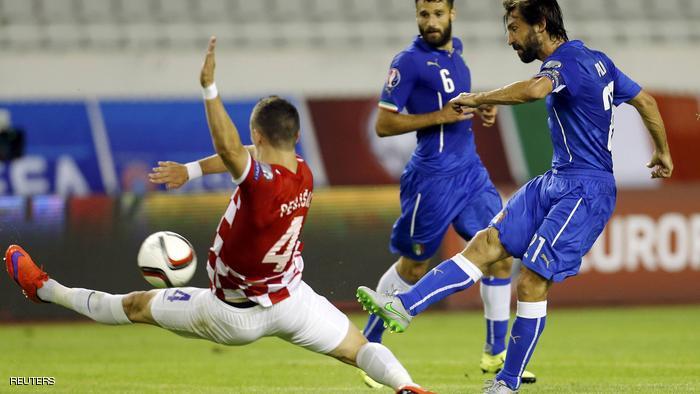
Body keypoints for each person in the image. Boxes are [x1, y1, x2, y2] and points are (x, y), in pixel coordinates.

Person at [5, 37, 434, 394]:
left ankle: (46, 290)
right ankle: (408, 387)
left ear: (257, 134)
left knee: (134, 306)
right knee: (357, 348)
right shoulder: (301, 171)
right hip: (292, 301)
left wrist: (209, 89)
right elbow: (243, 155)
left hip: (232, 312)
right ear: (296, 136)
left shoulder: (260, 182)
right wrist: (191, 170)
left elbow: (234, 152)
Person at [356, 0, 673, 392]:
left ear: (540, 24)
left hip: (586, 189)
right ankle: (403, 307)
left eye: (513, 28)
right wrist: (662, 151)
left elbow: (535, 90)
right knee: (486, 243)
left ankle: (507, 382)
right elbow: (646, 101)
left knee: (531, 282)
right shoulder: (600, 61)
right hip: (556, 179)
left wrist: (480, 98)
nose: (509, 39)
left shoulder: (566, 63)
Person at [362, 0, 535, 386]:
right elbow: (383, 124)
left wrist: (484, 108)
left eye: (438, 14)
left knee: (501, 253)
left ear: (451, 14)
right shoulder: (407, 62)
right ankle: (367, 346)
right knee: (414, 266)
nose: (431, 22)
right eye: (424, 15)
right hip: (431, 179)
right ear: (417, 16)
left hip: (470, 173)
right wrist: (439, 116)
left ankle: (495, 353)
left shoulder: (457, 54)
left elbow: (460, 105)